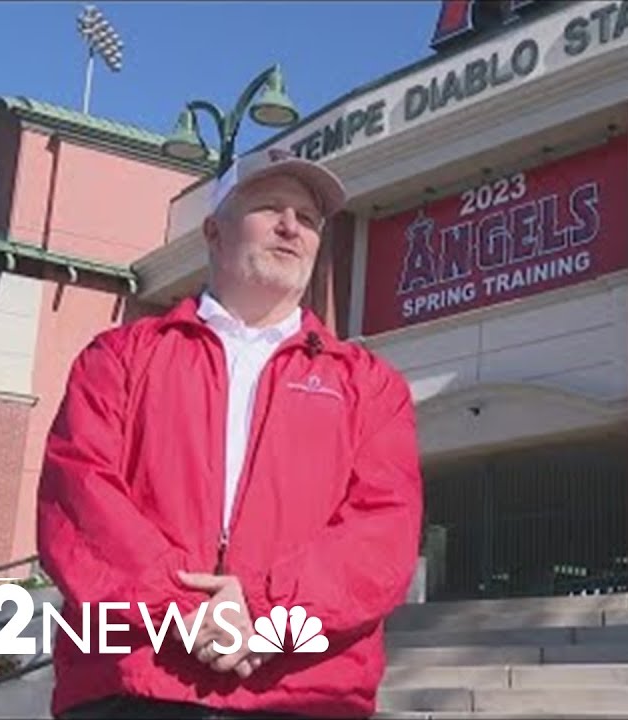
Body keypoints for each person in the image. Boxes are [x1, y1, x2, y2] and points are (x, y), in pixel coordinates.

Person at [36, 146, 424, 719]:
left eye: (309, 219)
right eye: (270, 207)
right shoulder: (120, 357)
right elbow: (81, 497)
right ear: (214, 233)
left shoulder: (371, 386)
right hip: (134, 684)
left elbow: (382, 529)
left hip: (306, 691)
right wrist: (182, 608)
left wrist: (267, 615)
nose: (292, 226)